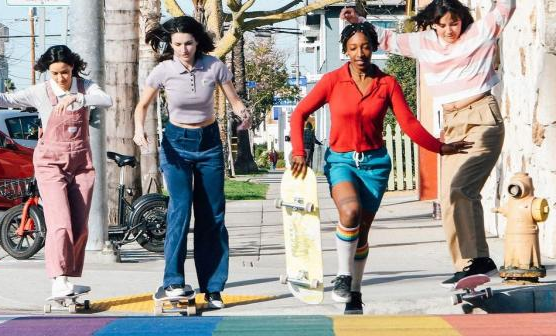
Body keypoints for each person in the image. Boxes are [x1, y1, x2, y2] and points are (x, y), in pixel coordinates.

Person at [290, 22, 472, 315]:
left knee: (361, 233)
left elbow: (408, 123)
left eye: (365, 47)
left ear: (373, 48)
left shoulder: (387, 83)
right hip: (342, 161)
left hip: (375, 166)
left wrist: (440, 146)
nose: (359, 53)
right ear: (345, 51)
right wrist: (299, 151)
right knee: (349, 212)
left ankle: (355, 293)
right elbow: (299, 113)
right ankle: (343, 276)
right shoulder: (332, 80)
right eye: (352, 48)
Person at [341, 0, 515, 287]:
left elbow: (506, 8)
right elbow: (386, 39)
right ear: (433, 24)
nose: (449, 30)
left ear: (463, 20)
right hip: (453, 123)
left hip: (483, 119)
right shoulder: (423, 42)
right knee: (449, 196)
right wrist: (357, 20)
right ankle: (471, 263)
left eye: (455, 23)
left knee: (462, 189)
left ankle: (476, 261)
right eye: (443, 25)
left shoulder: (480, 32)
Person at [0, 45, 113, 298]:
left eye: (64, 73)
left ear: (72, 68)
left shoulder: (86, 87)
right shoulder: (40, 92)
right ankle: (59, 280)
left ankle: (69, 277)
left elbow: (106, 100)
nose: (60, 79)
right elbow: (8, 100)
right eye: (54, 73)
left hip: (80, 162)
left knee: (79, 225)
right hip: (49, 162)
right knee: (60, 222)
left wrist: (78, 98)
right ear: (48, 72)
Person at [133, 16, 250, 309]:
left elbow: (233, 100)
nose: (183, 49)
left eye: (188, 43)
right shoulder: (164, 71)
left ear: (197, 42)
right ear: (170, 45)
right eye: (177, 44)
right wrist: (139, 130)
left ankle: (212, 289)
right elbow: (142, 106)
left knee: (212, 216)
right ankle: (172, 282)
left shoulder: (214, 67)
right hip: (176, 145)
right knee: (180, 210)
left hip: (209, 144)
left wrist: (242, 112)